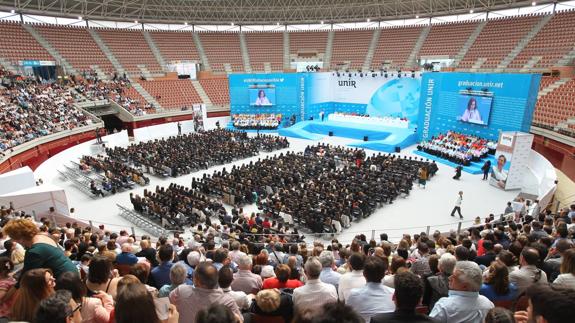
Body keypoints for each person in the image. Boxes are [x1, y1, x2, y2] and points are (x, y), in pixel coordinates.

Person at [2, 218, 78, 285]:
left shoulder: (35, 251)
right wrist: (15, 274)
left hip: (64, 282)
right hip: (72, 275)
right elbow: (28, 267)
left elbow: (25, 278)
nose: (12, 240)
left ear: (21, 237)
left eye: (12, 237)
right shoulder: (43, 237)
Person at [169, 262, 240, 323]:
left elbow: (170, 303)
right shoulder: (228, 301)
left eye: (194, 275)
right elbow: (239, 320)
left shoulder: (181, 290)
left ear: (197, 281)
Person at [429, 261, 494, 323]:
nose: (449, 278)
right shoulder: (489, 304)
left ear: (465, 286)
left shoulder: (443, 306)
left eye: (454, 277)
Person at [346, 256, 395, 322]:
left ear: (364, 274)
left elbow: (348, 317)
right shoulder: (393, 293)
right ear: (384, 275)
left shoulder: (353, 294)